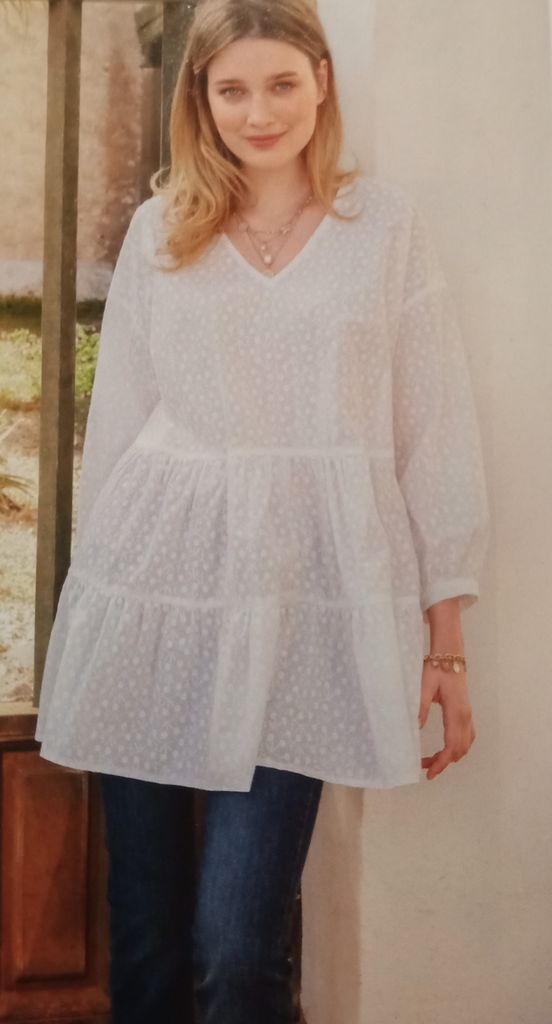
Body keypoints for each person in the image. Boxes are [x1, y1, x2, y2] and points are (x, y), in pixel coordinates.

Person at [33, 0, 491, 1020]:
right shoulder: (161, 230)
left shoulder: (383, 229)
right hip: (154, 602)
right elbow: (122, 424)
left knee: (238, 948)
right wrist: (89, 619)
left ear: (322, 80)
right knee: (147, 932)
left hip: (306, 616)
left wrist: (447, 647)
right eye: (231, 90)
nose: (259, 112)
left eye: (281, 83)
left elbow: (433, 431)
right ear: (200, 100)